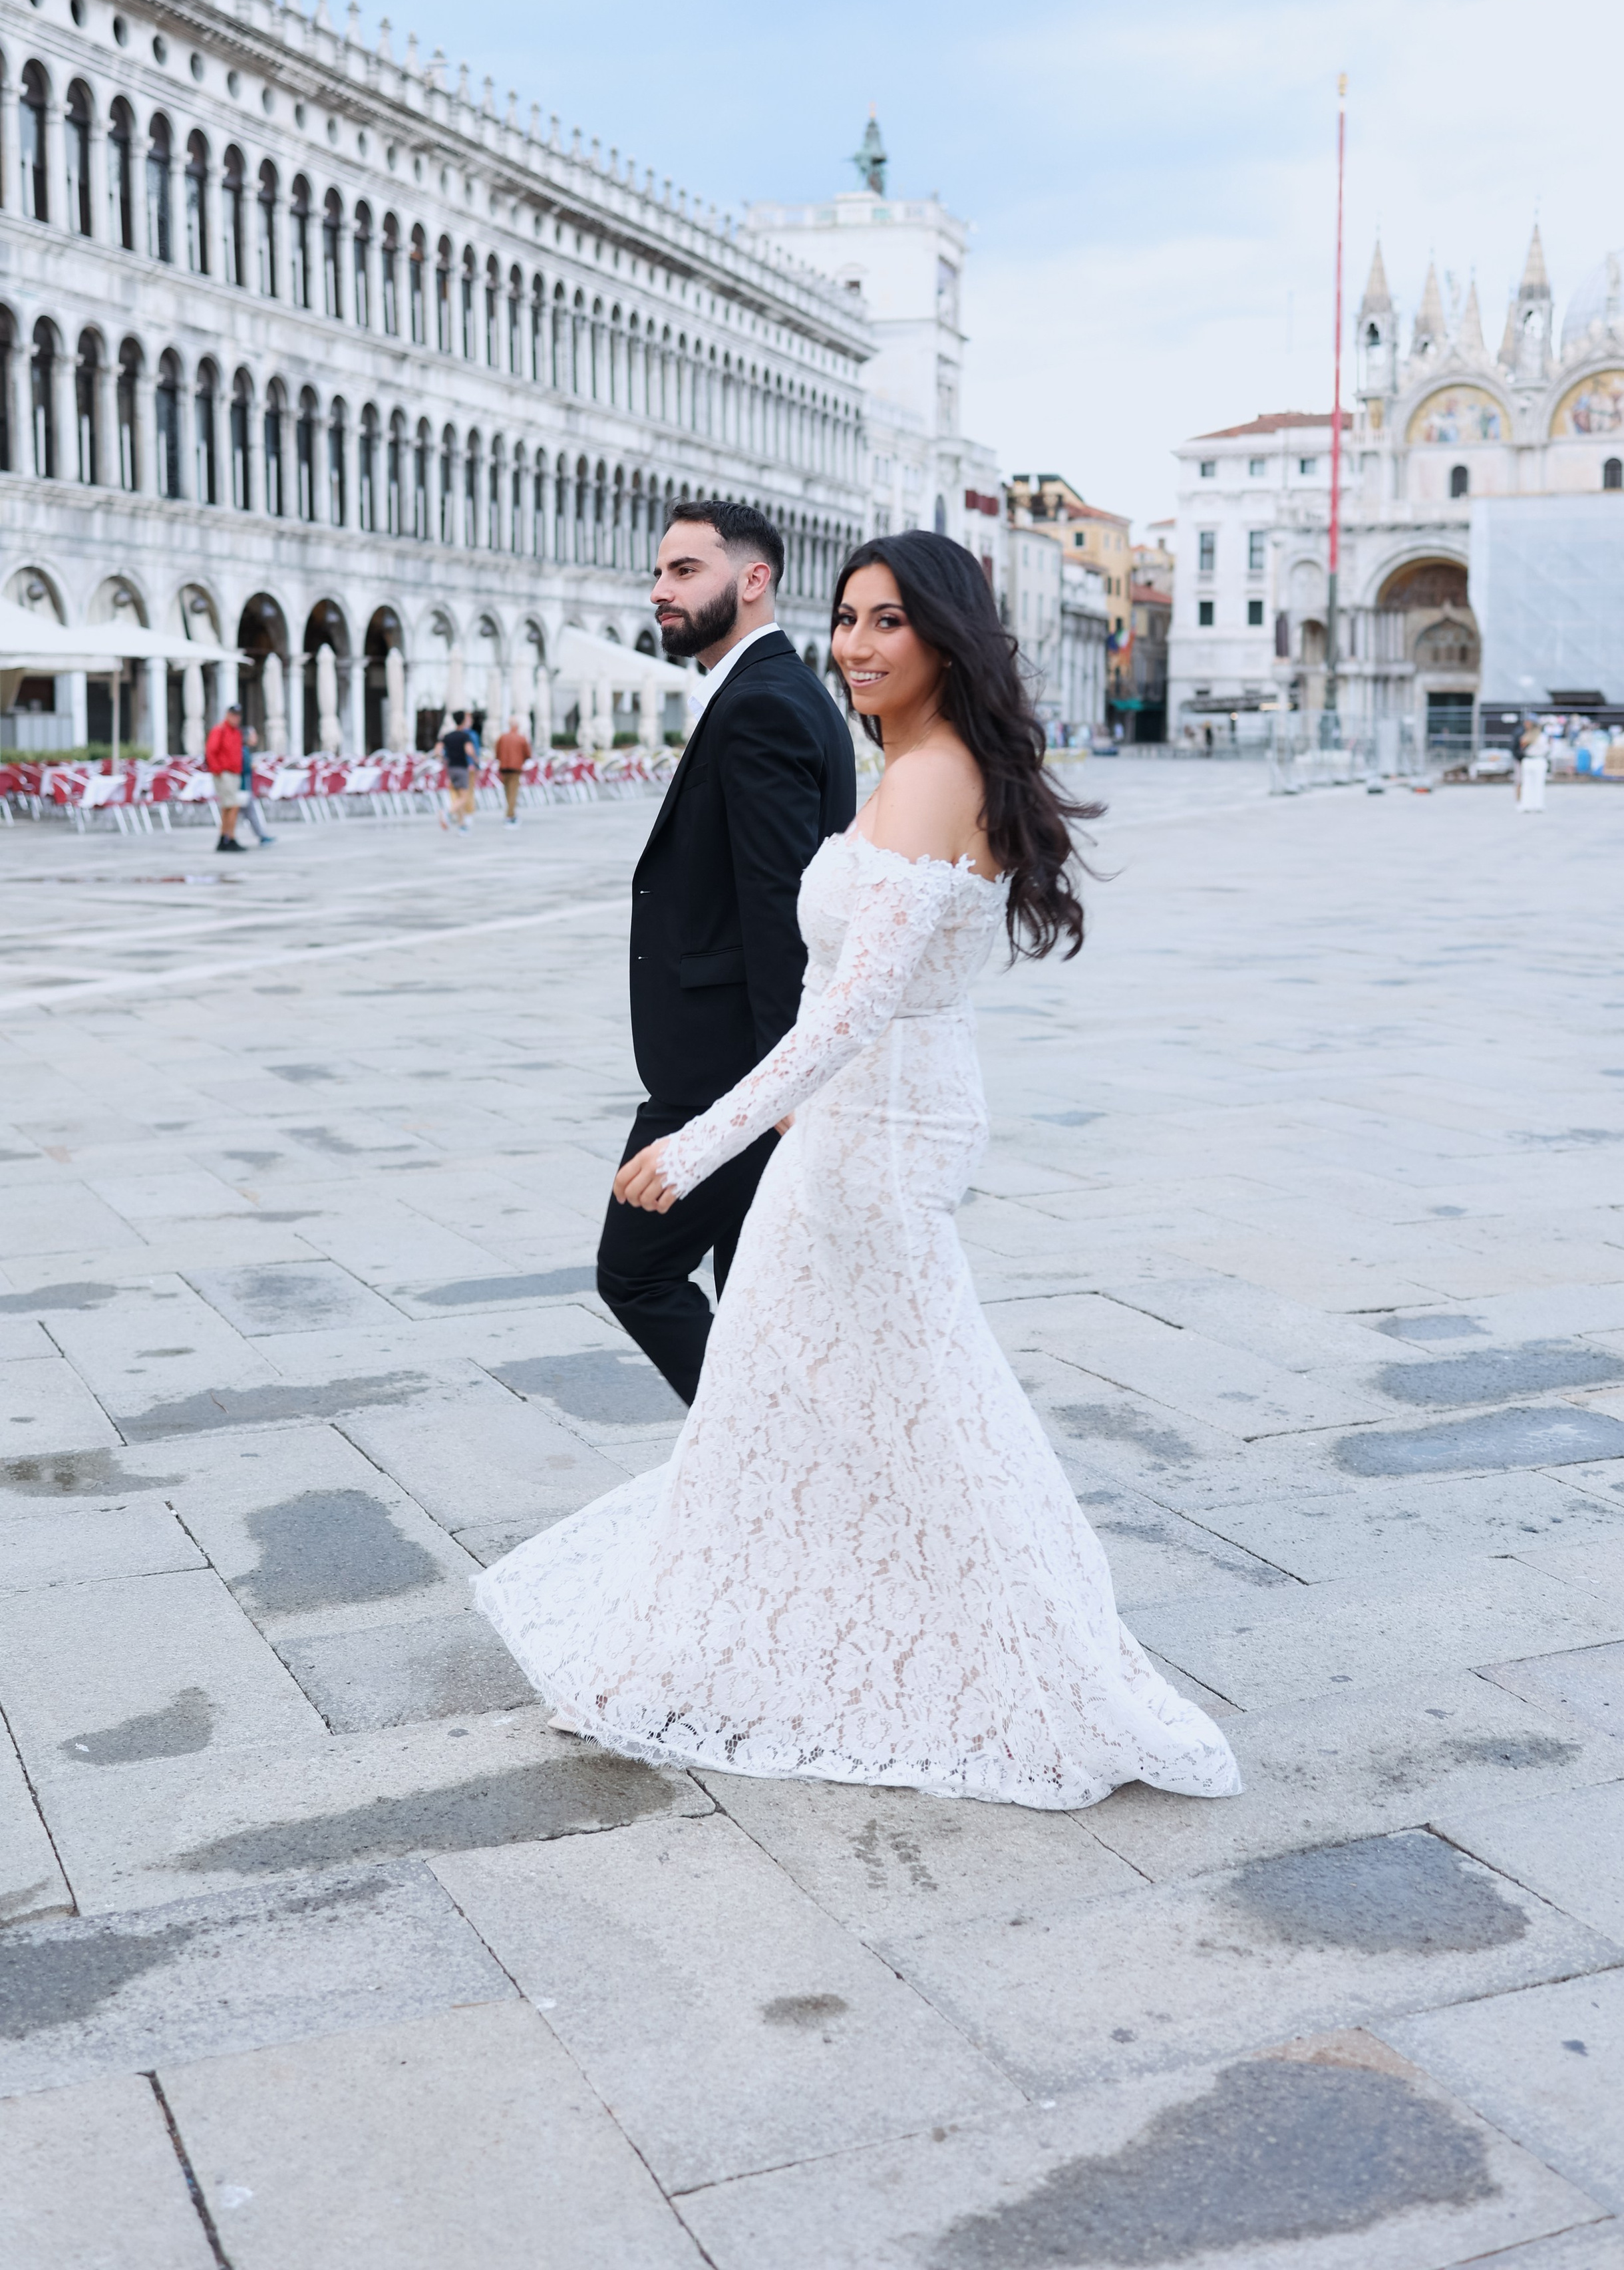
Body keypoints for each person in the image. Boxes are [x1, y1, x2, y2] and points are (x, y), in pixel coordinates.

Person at [476, 531, 1241, 1813]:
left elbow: (852, 1008)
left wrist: (701, 1139)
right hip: (855, 1123)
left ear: (946, 636)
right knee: (817, 1389)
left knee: (924, 1403)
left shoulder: (938, 776)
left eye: (887, 622)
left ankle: (1033, 1656)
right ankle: (816, 1603)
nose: (857, 645)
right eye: (847, 619)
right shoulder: (912, 766)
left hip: (880, 1131)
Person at [593, 498, 856, 1404]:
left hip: (730, 1080)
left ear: (754, 580)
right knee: (753, 1299)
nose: (659, 591)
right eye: (659, 572)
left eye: (685, 571)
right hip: (748, 1073)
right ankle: (772, 1491)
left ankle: (760, 1455)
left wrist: (780, 1092)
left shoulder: (763, 707)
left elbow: (784, 911)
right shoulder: (773, 691)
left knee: (637, 1272)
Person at [206, 705, 245, 854]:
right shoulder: (220, 730)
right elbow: (211, 751)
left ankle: (224, 838)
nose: (236, 718)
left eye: (238, 715)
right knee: (234, 805)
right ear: (227, 715)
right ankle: (231, 837)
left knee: (228, 807)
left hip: (235, 773)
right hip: (224, 773)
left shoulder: (236, 732)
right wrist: (218, 771)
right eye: (234, 715)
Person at [438, 710, 480, 830]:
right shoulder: (465, 736)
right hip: (462, 768)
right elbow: (469, 751)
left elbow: (438, 750)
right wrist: (476, 762)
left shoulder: (447, 736)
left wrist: (443, 759)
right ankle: (447, 813)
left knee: (457, 796)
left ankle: (462, 825)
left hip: (451, 768)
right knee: (464, 797)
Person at [240, 726, 275, 846]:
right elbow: (242, 768)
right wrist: (251, 766)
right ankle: (227, 838)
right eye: (253, 736)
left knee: (247, 813)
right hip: (242, 788)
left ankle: (262, 836)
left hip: (244, 787)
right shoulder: (243, 751)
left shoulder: (245, 750)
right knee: (245, 813)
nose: (256, 738)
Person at [495, 713, 530, 826]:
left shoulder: (503, 737)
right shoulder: (521, 738)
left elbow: (497, 753)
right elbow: (528, 754)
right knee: (513, 793)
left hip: (504, 768)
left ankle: (511, 813)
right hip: (515, 768)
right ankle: (510, 816)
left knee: (508, 792)